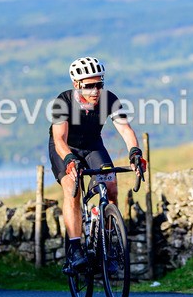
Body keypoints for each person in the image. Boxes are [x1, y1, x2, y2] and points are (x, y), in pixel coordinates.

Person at [49, 56, 145, 275]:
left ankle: (107, 246)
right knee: (71, 190)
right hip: (66, 149)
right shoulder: (62, 101)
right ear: (77, 84)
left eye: (99, 84)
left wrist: (135, 152)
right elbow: (59, 140)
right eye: (89, 86)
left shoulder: (109, 99)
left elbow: (126, 130)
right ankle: (74, 248)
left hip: (93, 146)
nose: (95, 91)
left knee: (111, 187)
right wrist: (69, 160)